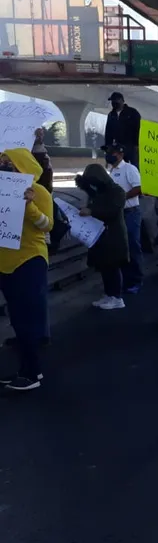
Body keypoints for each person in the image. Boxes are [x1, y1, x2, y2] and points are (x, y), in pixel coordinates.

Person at [0, 149, 54, 391]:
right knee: (17, 319)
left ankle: (32, 373)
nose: (3, 165)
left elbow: (47, 225)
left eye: (8, 162)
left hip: (29, 260)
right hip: (5, 262)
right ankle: (24, 369)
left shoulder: (39, 192)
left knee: (26, 320)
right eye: (1, 162)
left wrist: (29, 205)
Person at [76, 164, 129, 310]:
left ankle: (117, 297)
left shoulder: (117, 191)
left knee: (113, 266)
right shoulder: (99, 191)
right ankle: (108, 294)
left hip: (113, 234)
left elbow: (112, 210)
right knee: (104, 266)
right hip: (100, 234)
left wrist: (91, 211)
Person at [107, 144, 143, 294]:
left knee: (132, 246)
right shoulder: (111, 171)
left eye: (112, 153)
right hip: (118, 214)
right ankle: (125, 280)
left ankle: (136, 280)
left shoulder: (129, 169)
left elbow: (138, 188)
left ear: (120, 155)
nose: (109, 155)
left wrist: (121, 198)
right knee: (122, 247)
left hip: (130, 212)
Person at [103, 92, 141, 166]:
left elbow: (138, 129)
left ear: (121, 100)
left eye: (115, 100)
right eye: (112, 101)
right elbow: (108, 132)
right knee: (120, 167)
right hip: (118, 146)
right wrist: (108, 148)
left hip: (131, 146)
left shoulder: (132, 112)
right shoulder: (111, 115)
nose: (113, 103)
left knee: (134, 166)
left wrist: (136, 144)